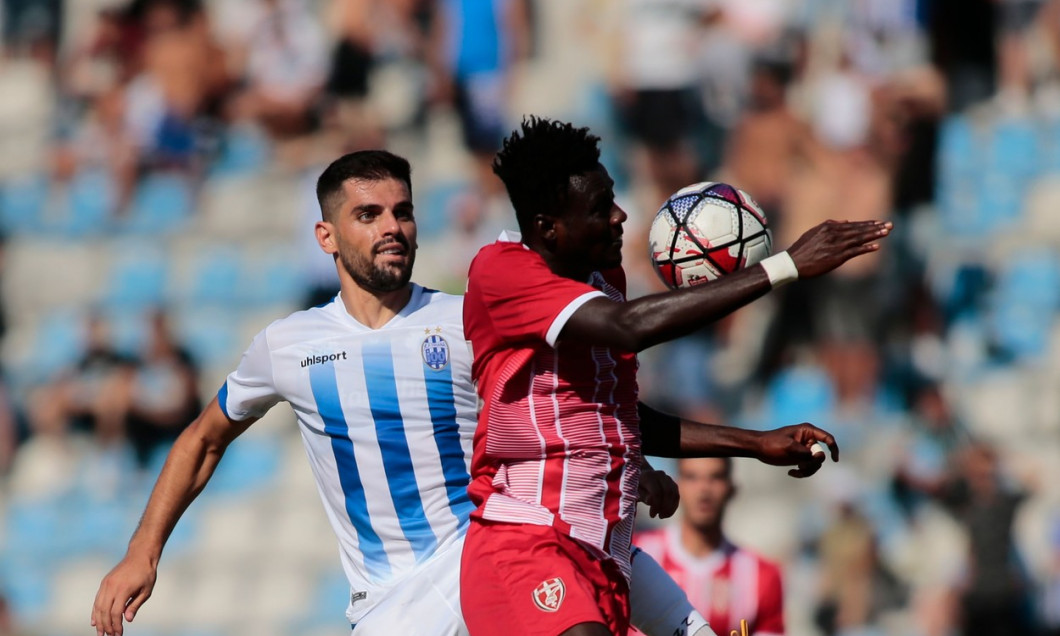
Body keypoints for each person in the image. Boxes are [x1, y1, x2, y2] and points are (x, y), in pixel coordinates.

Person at [90, 149, 731, 636]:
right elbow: (203, 441)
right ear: (327, 236)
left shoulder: (466, 319)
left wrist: (637, 465)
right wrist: (141, 553)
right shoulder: (286, 345)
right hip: (389, 607)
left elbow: (584, 410)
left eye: (402, 211)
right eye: (367, 215)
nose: (391, 227)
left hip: (488, 554)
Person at [459, 116, 891, 636]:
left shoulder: (604, 280)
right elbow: (628, 327)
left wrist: (754, 443)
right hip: (528, 542)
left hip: (605, 551)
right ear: (548, 226)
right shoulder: (502, 270)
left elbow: (622, 417)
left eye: (614, 198)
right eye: (600, 208)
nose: (620, 216)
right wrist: (784, 267)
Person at [634, 458, 784, 636]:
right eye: (692, 477)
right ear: (676, 484)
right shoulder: (635, 554)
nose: (704, 489)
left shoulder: (762, 575)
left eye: (715, 477)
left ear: (732, 488)